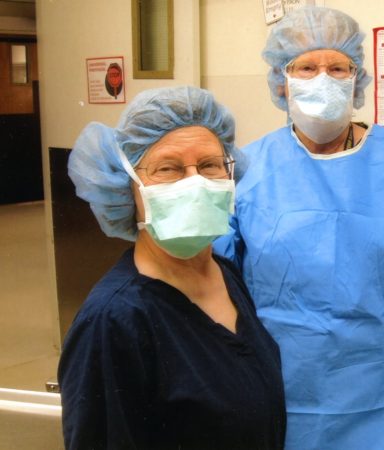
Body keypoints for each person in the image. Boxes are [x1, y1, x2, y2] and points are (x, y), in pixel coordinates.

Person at [213, 6, 384, 450]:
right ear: (282, 81)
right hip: (278, 384)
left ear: (357, 80)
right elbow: (218, 283)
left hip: (376, 391)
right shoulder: (250, 167)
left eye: (338, 67)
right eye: (306, 66)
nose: (323, 78)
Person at [58, 86, 286, 450]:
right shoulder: (114, 321)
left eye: (210, 165)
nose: (195, 183)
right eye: (168, 168)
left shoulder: (222, 273)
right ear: (126, 187)